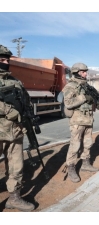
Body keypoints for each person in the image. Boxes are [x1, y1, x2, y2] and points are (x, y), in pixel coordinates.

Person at [0, 45, 35, 211]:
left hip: (15, 131)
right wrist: (9, 111)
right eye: (2, 60)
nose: (6, 62)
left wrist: (28, 118)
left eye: (7, 60)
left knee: (17, 166)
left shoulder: (15, 82)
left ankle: (14, 197)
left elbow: (25, 103)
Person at [63, 62, 99, 183]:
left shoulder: (87, 86)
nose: (86, 73)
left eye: (86, 71)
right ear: (77, 72)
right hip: (77, 121)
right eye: (83, 71)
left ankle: (85, 163)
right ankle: (71, 167)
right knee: (75, 145)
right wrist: (84, 98)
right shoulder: (71, 86)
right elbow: (68, 103)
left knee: (88, 143)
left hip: (88, 119)